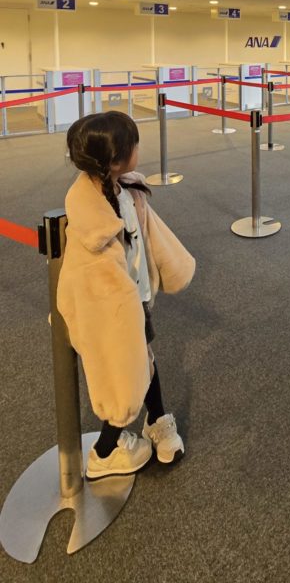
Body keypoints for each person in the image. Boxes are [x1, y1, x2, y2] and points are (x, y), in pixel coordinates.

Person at [57, 110, 196, 480]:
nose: (139, 148)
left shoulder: (126, 190)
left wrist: (172, 266)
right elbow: (88, 281)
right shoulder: (91, 219)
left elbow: (151, 233)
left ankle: (158, 419)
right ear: (114, 160)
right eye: (134, 144)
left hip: (137, 301)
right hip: (116, 314)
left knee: (145, 361)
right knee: (124, 376)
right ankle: (104, 452)